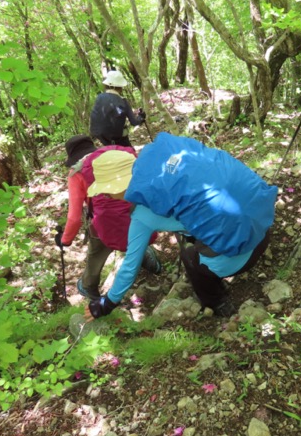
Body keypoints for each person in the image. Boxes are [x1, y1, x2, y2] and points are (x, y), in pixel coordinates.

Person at [85, 133, 277, 320]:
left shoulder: (142, 214)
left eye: (106, 192)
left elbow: (130, 266)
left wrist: (107, 303)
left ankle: (216, 301)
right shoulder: (169, 171)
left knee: (189, 255)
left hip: (241, 255)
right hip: (262, 225)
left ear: (116, 187)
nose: (106, 196)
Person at [54, 135, 161, 301]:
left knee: (96, 253)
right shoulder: (115, 157)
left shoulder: (76, 173)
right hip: (135, 211)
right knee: (136, 236)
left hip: (103, 223)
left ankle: (89, 287)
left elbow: (75, 217)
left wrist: (65, 240)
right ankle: (149, 260)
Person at [89, 70, 146, 147]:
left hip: (101, 137)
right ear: (120, 87)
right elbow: (134, 122)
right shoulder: (123, 101)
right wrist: (141, 117)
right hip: (118, 138)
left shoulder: (99, 97)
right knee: (130, 155)